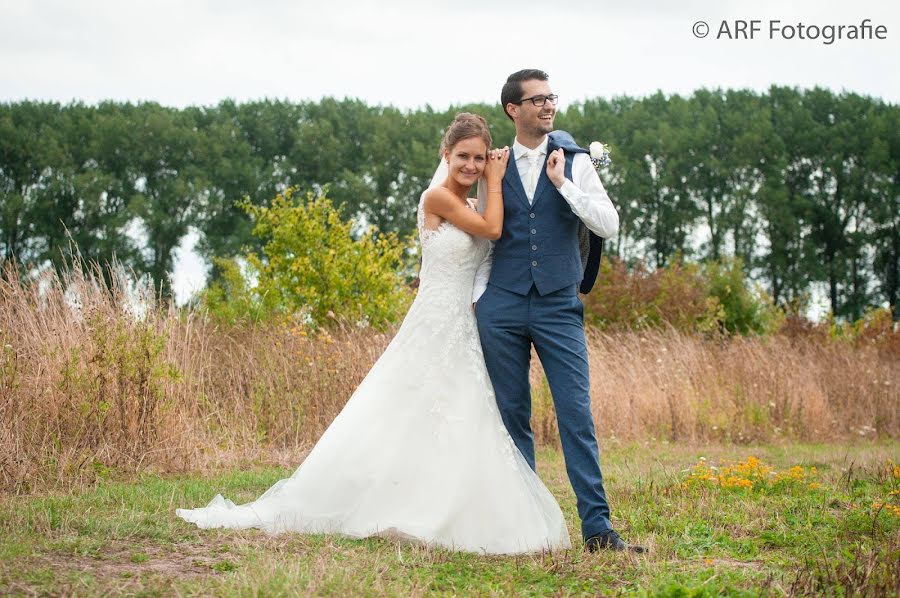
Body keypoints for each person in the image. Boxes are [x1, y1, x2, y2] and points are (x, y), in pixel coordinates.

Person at [176, 113, 571, 555]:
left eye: (481, 158)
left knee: (454, 412)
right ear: (446, 155)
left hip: (462, 324)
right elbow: (494, 230)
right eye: (464, 156)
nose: (473, 164)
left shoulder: (471, 205)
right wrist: (496, 177)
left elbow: (487, 240)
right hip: (433, 320)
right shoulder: (436, 197)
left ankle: (433, 498)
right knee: (404, 407)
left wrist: (489, 185)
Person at [472, 69, 646, 553]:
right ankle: (523, 527)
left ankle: (598, 529)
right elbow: (485, 237)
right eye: (537, 100)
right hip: (501, 306)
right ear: (513, 109)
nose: (548, 106)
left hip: (557, 307)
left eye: (551, 98)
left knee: (576, 415)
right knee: (511, 416)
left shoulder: (573, 161)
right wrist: (479, 299)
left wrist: (563, 184)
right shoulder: (495, 163)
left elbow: (608, 224)